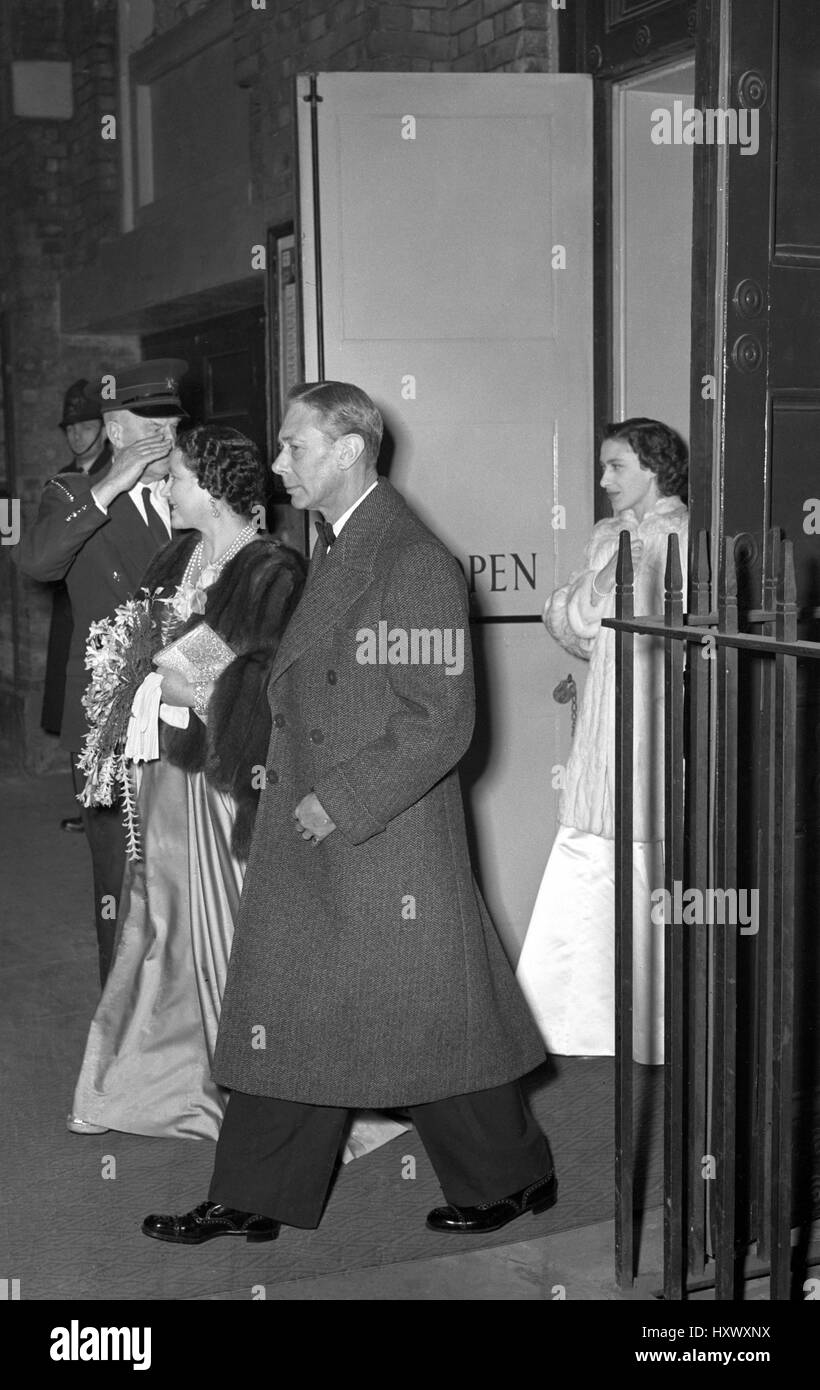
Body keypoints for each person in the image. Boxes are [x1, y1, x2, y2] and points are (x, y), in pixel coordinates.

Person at [140, 380, 555, 1248]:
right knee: (292, 1007)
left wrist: (342, 797)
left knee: (429, 1014)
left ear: (349, 450)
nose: (281, 461)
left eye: (296, 446)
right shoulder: (338, 544)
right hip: (323, 824)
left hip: (379, 834)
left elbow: (441, 714)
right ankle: (253, 1195)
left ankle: (512, 1178)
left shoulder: (410, 560)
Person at [69, 423, 406, 1165]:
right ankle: (143, 1080)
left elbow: (263, 679)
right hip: (164, 773)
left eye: (177, 477)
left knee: (225, 926)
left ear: (215, 488)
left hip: (223, 778)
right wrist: (137, 678)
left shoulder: (273, 570)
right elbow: (153, 649)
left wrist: (176, 670)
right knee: (158, 920)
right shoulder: (175, 555)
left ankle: (257, 1086)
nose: (164, 488)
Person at [515, 418, 689, 1066]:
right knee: (591, 858)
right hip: (606, 729)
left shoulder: (683, 534)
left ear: (652, 467)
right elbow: (575, 624)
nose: (604, 479)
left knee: (652, 859)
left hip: (660, 724)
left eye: (616, 466)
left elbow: (662, 629)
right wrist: (585, 593)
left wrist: (594, 599)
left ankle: (663, 1025)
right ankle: (590, 1026)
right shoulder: (606, 535)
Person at [18, 361, 187, 986]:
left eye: (174, 424)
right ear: (116, 433)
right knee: (120, 874)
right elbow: (36, 561)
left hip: (188, 716)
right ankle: (121, 1028)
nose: (168, 438)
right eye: (152, 426)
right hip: (111, 728)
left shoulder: (191, 495)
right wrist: (113, 481)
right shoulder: (73, 495)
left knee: (185, 875)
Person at [41, 380, 112, 832]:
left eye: (86, 426)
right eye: (71, 427)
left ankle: (108, 811)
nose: (77, 435)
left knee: (108, 710)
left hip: (107, 606)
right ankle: (90, 809)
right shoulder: (62, 477)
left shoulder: (116, 475)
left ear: (104, 429)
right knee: (76, 713)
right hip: (71, 608)